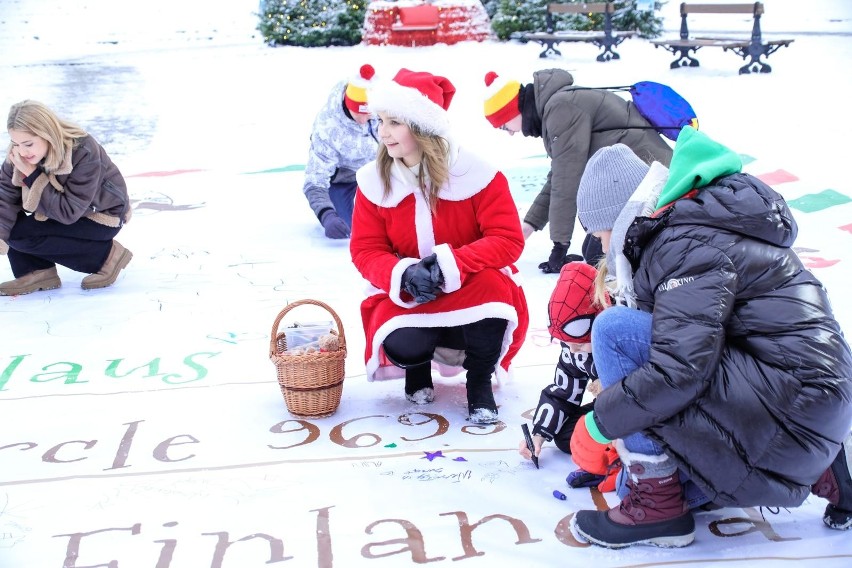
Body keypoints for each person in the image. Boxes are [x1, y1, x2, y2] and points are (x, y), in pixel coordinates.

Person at [566, 135, 852, 549]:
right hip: (813, 405)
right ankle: (823, 469)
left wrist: (597, 424)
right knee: (645, 467)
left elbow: (678, 371)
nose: (604, 247)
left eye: (601, 233)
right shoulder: (701, 221)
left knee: (615, 330)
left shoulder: (680, 243)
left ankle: (658, 506)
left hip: (792, 405)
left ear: (620, 216)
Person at [349, 68, 529, 425]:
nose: (383, 132)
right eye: (381, 120)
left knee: (494, 293)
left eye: (394, 122)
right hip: (411, 293)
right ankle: (417, 370)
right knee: (400, 336)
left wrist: (451, 264)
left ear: (422, 127)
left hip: (467, 286)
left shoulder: (477, 175)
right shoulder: (372, 182)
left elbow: (507, 240)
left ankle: (479, 380)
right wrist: (402, 274)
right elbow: (365, 249)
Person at [482, 69, 673, 272]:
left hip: (653, 174)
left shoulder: (560, 109)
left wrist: (559, 245)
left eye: (504, 126)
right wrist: (528, 226)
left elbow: (567, 181)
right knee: (594, 249)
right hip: (638, 175)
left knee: (597, 255)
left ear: (512, 110)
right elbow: (559, 176)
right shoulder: (556, 106)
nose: (510, 133)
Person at [0, 100, 132, 296]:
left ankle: (107, 257)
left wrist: (32, 175)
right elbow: (5, 196)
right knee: (11, 229)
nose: (21, 151)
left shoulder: (83, 150)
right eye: (16, 143)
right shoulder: (20, 154)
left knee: (25, 235)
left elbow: (69, 211)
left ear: (47, 134)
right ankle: (36, 270)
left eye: (28, 144)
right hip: (59, 211)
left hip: (101, 216)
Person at [517, 261, 621, 492]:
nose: (573, 351)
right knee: (566, 437)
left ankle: (623, 460)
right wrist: (539, 436)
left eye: (580, 345)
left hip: (638, 406)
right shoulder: (573, 350)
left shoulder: (622, 337)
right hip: (607, 408)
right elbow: (563, 392)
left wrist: (613, 386)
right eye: (566, 343)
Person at [303, 64, 379, 239]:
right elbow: (315, 178)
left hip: (384, 174)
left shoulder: (384, 112)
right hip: (345, 179)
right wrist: (326, 214)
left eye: (368, 113)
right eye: (358, 112)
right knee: (348, 225)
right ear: (347, 102)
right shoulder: (327, 128)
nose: (363, 120)